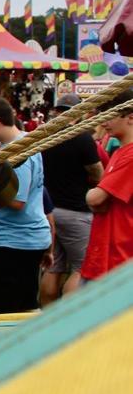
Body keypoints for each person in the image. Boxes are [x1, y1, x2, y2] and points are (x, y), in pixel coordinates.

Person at [0, 97, 51, 313]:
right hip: (23, 238)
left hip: (16, 241)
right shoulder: (23, 143)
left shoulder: (17, 153)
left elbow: (17, 201)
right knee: (23, 305)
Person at [39, 93, 103, 302]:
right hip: (76, 211)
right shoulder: (82, 137)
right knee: (80, 268)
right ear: (78, 112)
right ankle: (69, 314)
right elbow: (97, 172)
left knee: (53, 266)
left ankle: (47, 313)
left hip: (49, 211)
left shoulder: (46, 135)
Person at [81, 91, 133, 283]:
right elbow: (100, 201)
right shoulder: (120, 151)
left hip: (118, 260)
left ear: (130, 117)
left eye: (108, 115)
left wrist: (95, 195)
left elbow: (96, 199)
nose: (102, 122)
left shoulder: (130, 155)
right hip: (105, 255)